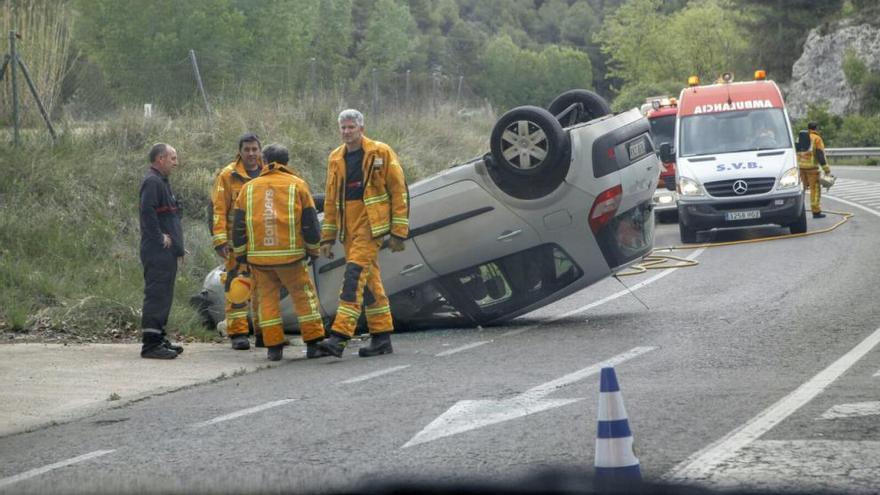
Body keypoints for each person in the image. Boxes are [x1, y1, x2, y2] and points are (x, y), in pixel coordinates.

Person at [317, 109, 409, 358]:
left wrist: (398, 232)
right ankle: (382, 338)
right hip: (349, 226)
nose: (347, 132)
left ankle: (340, 336)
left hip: (371, 224)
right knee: (370, 282)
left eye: (351, 127)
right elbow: (331, 201)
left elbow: (399, 191)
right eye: (343, 128)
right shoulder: (335, 158)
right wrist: (327, 236)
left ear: (361, 129)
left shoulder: (381, 152)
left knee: (354, 276)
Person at [231, 144, 328, 361]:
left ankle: (274, 348)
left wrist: (240, 255)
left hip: (259, 259)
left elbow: (237, 226)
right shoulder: (298, 185)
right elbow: (311, 223)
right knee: (304, 297)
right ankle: (313, 343)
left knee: (267, 301)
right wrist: (313, 250)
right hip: (291, 258)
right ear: (286, 163)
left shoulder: (249, 188)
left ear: (264, 162)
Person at [212, 133, 263, 350]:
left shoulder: (269, 171)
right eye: (247, 150)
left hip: (264, 242)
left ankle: (264, 333)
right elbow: (219, 209)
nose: (251, 154)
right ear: (240, 152)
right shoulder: (227, 175)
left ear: (260, 151)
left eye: (254, 149)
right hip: (237, 244)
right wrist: (221, 240)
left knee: (264, 289)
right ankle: (239, 333)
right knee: (237, 288)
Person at [139, 143, 185, 359]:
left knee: (165, 295)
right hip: (156, 251)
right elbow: (147, 213)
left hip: (167, 252)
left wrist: (178, 248)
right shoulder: (152, 182)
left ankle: (159, 337)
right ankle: (150, 345)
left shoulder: (162, 182)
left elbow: (169, 217)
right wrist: (159, 238)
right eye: (173, 158)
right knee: (157, 295)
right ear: (160, 159)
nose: (176, 163)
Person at [797, 122, 832, 218]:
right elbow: (819, 154)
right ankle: (816, 212)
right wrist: (826, 169)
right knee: (815, 190)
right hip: (812, 169)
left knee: (800, 190)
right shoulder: (817, 139)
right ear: (816, 128)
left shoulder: (801, 137)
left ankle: (798, 211)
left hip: (800, 168)